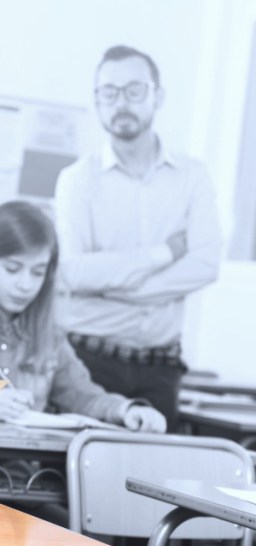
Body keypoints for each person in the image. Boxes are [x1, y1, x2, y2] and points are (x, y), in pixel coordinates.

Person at [54, 45, 222, 432]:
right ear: (97, 101)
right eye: (108, 93)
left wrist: (115, 284)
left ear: (157, 95)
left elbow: (206, 265)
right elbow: (75, 273)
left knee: (152, 485)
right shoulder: (78, 179)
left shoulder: (192, 176)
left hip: (161, 367)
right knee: (75, 480)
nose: (120, 103)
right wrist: (163, 254)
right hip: (87, 360)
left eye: (133, 90)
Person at [0, 200, 166, 432]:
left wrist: (127, 411)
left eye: (38, 272)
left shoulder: (49, 336)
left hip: (26, 477)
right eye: (13, 269)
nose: (26, 285)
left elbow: (81, 394)